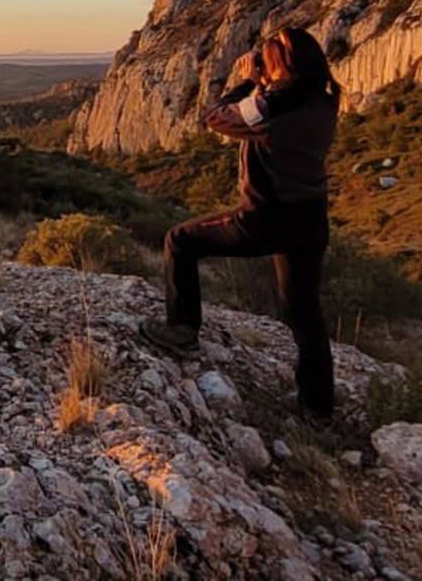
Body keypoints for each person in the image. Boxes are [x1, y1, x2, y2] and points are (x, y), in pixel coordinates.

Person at [138, 25, 341, 419]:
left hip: (265, 217)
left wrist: (247, 82)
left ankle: (181, 330)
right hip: (311, 220)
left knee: (179, 240)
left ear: (280, 63)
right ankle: (318, 408)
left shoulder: (270, 106)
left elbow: (217, 117)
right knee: (305, 314)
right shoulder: (324, 100)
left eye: (267, 57)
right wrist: (265, 82)